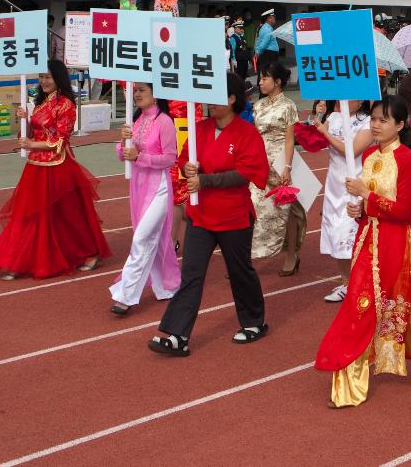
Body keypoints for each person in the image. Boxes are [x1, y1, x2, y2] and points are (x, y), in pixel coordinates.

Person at [315, 96, 411, 407]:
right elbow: (368, 204)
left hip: (397, 242)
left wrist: (366, 197)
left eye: (383, 120)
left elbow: (403, 210)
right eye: (373, 118)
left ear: (400, 125)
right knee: (362, 305)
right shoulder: (370, 154)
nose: (375, 124)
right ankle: (348, 384)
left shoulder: (408, 161)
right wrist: (358, 208)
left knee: (403, 303)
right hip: (367, 239)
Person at [149, 73, 270, 355]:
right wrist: (188, 168)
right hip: (200, 215)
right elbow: (183, 158)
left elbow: (247, 173)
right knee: (191, 274)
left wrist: (205, 180)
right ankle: (177, 334)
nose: (209, 103)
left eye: (216, 97)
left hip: (233, 216)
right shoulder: (200, 128)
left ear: (231, 99)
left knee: (240, 271)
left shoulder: (246, 133)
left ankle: (253, 322)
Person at [0, 61, 112, 279]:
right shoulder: (41, 104)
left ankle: (90, 253)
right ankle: (17, 261)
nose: (44, 81)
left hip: (58, 166)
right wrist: (24, 121)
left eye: (48, 77)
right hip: (36, 165)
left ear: (58, 79)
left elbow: (61, 140)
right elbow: (30, 135)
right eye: (41, 77)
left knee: (69, 215)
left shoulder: (66, 106)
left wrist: (32, 145)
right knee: (28, 214)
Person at [109, 83, 181, 314]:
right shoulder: (136, 121)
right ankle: (167, 286)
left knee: (142, 237)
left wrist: (140, 156)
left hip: (158, 187)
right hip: (139, 187)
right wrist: (123, 143)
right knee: (155, 239)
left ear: (155, 93)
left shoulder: (164, 122)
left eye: (142, 90)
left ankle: (126, 295)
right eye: (135, 90)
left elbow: (170, 158)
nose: (137, 94)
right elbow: (123, 155)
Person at [318, 100, 373, 303]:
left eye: (351, 97)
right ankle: (346, 282)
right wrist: (315, 121)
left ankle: (359, 283)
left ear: (360, 102)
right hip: (334, 185)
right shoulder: (333, 117)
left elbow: (352, 150)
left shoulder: (367, 122)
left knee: (350, 235)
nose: (345, 100)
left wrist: (324, 133)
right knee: (334, 235)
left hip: (355, 186)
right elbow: (315, 141)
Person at [251, 60, 300, 269]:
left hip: (281, 161)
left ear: (277, 81)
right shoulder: (258, 105)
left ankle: (291, 256)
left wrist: (287, 167)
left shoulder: (288, 105)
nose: (260, 82)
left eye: (264, 78)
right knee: (253, 205)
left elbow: (290, 140)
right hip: (259, 163)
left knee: (285, 209)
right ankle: (249, 257)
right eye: (260, 78)